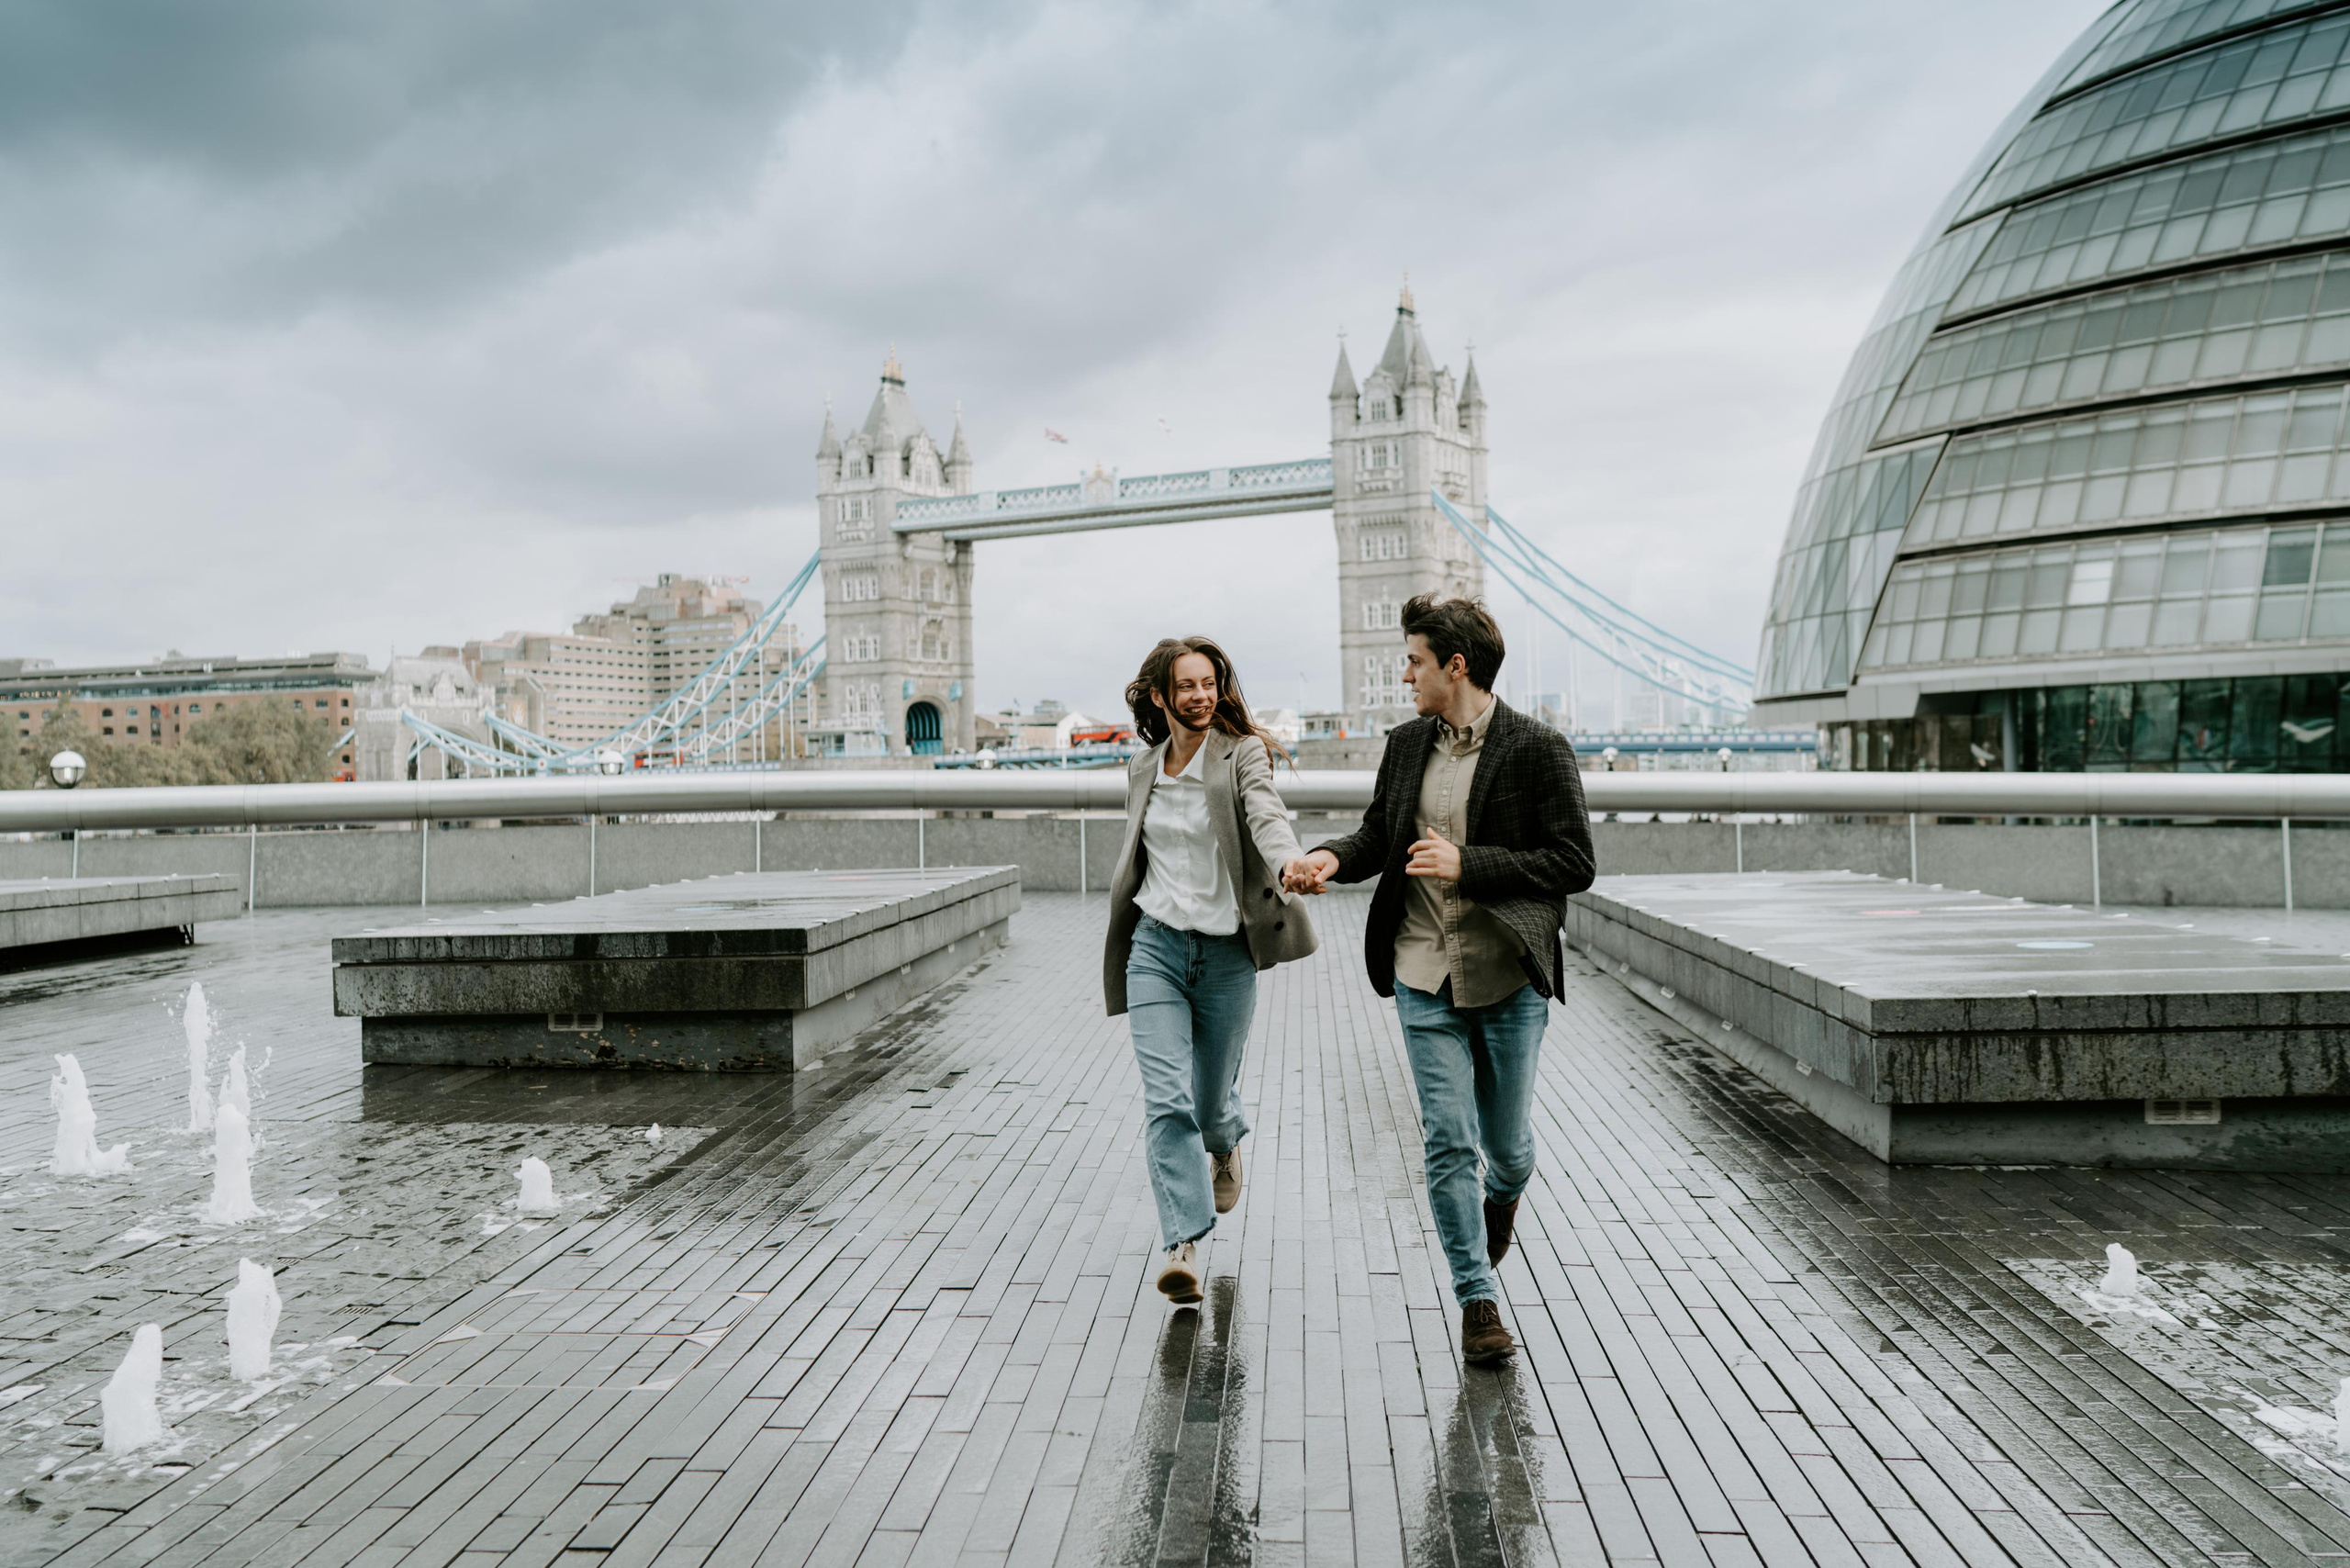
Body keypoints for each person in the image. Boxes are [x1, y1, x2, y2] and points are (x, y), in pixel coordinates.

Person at [1290, 595, 1595, 1363]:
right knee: (1448, 1141)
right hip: (1422, 969)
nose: (1406, 674)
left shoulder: (1538, 748)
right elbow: (1376, 834)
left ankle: (1504, 1197)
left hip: (1508, 977)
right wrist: (1329, 857)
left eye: (1415, 662)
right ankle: (1477, 1301)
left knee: (1509, 1149)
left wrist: (1473, 864)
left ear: (1455, 667)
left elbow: (1574, 863)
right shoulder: (1403, 747)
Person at [1105, 636, 1320, 1305]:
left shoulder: (1242, 755)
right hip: (1157, 948)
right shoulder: (1142, 767)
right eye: (1188, 686)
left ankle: (1225, 1143)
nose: (1202, 696)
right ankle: (1183, 1244)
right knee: (1167, 1098)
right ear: (1162, 697)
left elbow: (1266, 815)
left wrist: (1290, 863)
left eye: (1210, 684)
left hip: (1227, 954)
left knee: (1208, 1102)